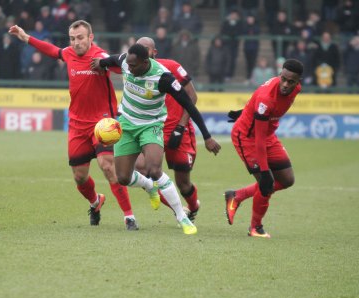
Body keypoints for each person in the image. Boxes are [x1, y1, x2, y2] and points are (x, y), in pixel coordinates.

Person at [9, 20, 139, 231]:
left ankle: (129, 216)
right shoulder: (68, 53)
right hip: (77, 125)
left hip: (102, 122)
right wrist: (26, 37)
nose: (76, 43)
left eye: (80, 38)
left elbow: (121, 66)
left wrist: (114, 63)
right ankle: (96, 202)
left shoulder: (101, 57)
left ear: (90, 37)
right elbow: (52, 50)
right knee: (80, 177)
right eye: (72, 38)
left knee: (107, 166)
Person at [91, 44, 221, 235]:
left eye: (134, 66)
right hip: (126, 125)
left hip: (150, 126)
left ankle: (181, 217)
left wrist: (207, 136)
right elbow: (112, 60)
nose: (130, 69)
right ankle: (149, 186)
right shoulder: (127, 62)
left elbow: (189, 104)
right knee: (123, 178)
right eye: (128, 65)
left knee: (154, 169)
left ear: (146, 62)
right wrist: (100, 63)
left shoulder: (164, 77)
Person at [225, 59, 304, 238]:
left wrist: (246, 111)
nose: (285, 84)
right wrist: (264, 169)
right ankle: (255, 228)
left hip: (268, 135)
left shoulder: (296, 90)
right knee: (266, 184)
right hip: (247, 138)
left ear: (298, 82)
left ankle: (237, 196)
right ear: (279, 74)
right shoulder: (266, 99)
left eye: (291, 81)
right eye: (283, 78)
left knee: (287, 180)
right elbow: (258, 139)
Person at [135, 36, 200, 221]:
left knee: (183, 183)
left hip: (178, 131)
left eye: (145, 48)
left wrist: (180, 127)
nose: (142, 52)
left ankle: (193, 206)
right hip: (153, 130)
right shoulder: (134, 72)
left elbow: (192, 97)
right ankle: (179, 210)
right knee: (142, 169)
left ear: (154, 52)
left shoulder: (171, 66)